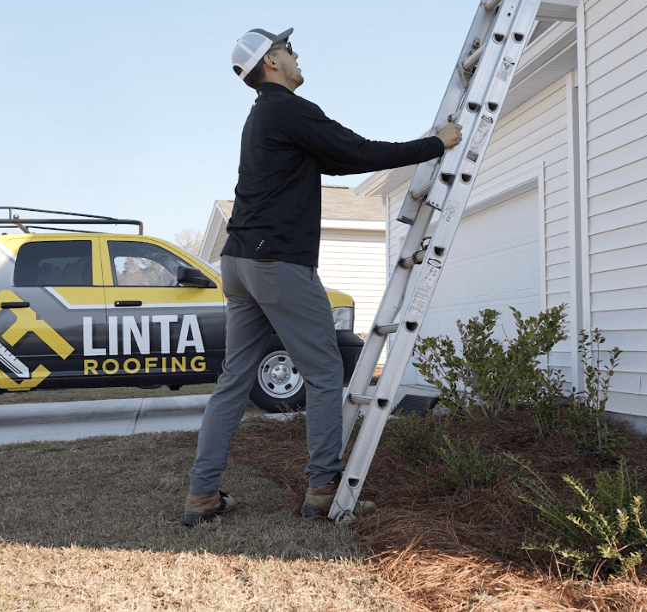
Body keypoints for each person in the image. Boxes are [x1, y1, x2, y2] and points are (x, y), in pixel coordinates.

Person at [184, 27, 463, 526]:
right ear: (271, 61)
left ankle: (202, 497)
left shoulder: (263, 116)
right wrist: (434, 144)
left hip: (240, 262)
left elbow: (333, 158)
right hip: (277, 263)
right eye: (288, 49)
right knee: (325, 370)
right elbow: (358, 151)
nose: (296, 55)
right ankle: (323, 488)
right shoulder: (289, 107)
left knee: (233, 381)